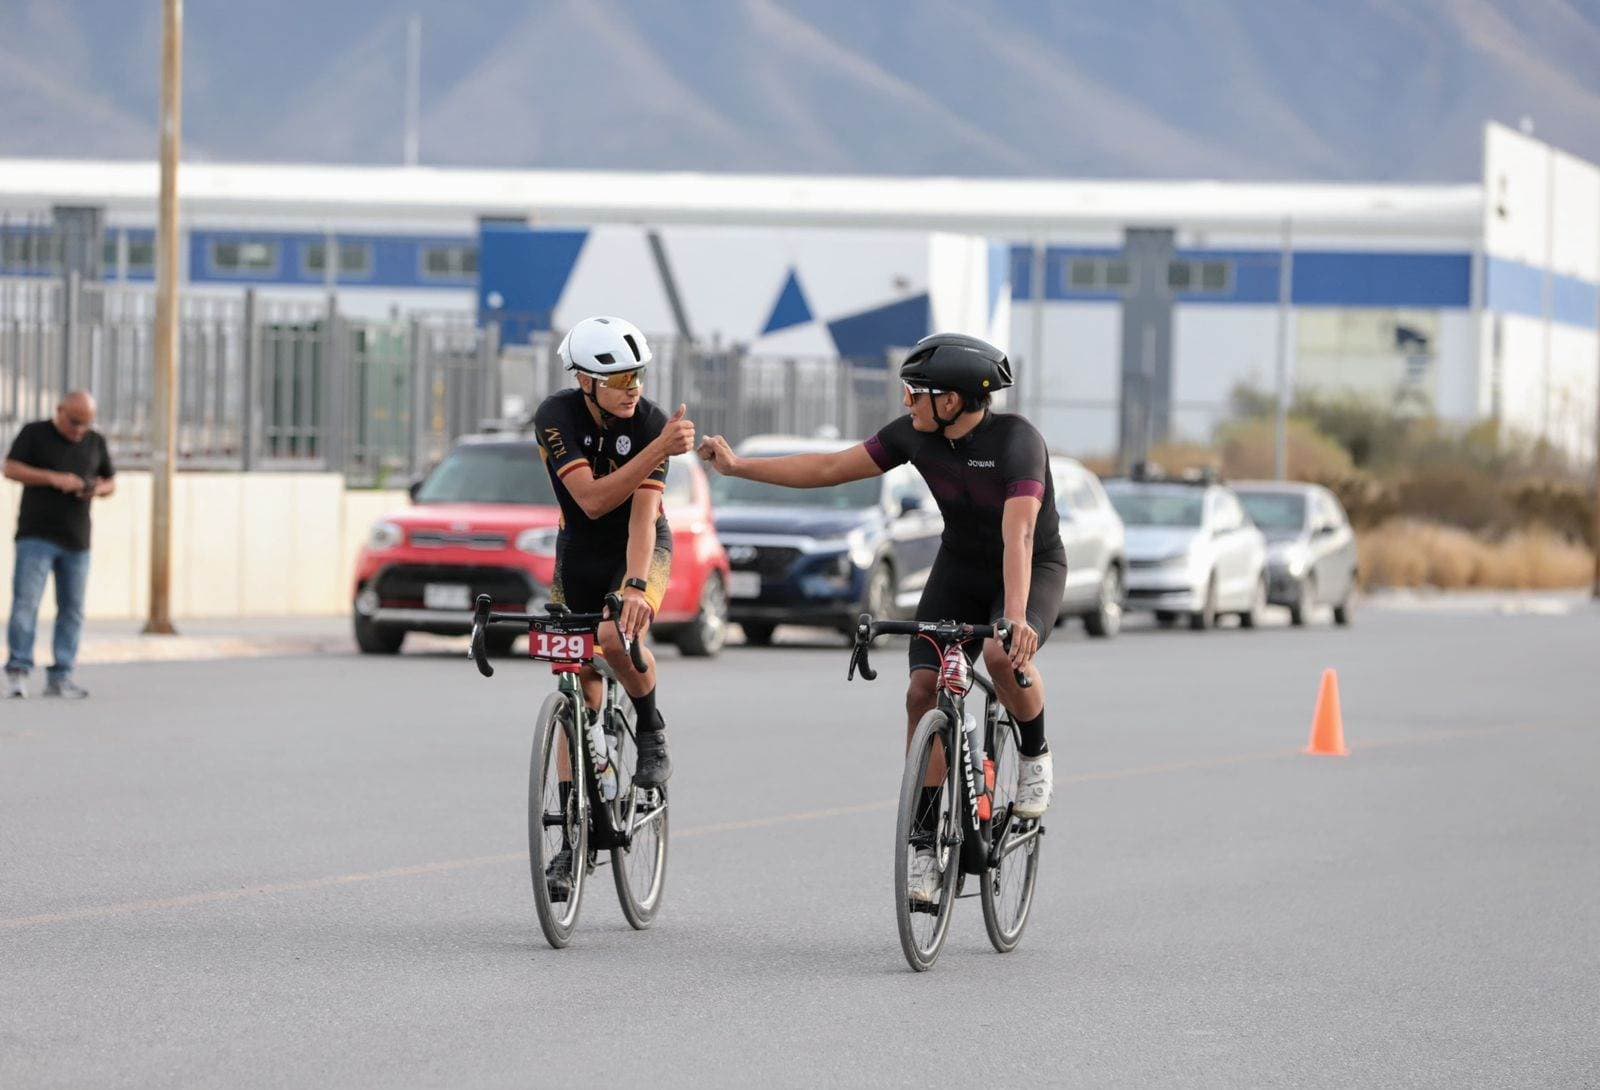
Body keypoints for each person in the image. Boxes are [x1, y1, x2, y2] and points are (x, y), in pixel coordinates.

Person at [698, 333, 1062, 901]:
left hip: (1031, 567)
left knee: (997, 651)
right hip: (960, 568)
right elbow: (827, 468)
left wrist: (1016, 620)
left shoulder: (1018, 442)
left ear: (955, 400)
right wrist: (739, 467)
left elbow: (1017, 533)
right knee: (921, 691)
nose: (906, 401)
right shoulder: (913, 437)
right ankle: (923, 845)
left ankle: (1036, 754)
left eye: (917, 392)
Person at [532, 316, 695, 899]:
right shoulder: (556, 417)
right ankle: (573, 836)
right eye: (620, 378)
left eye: (639, 375)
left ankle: (651, 728)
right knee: (572, 674)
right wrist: (658, 447)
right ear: (585, 382)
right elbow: (592, 502)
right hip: (580, 544)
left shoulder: (653, 423)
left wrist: (633, 586)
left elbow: (639, 517)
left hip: (641, 545)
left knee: (611, 637)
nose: (634, 388)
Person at [5, 391, 116, 699]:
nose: (79, 430)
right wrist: (53, 479)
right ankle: (18, 671)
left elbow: (110, 482)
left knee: (72, 610)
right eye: (74, 422)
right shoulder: (34, 433)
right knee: (26, 604)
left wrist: (92, 488)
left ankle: (62, 675)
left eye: (86, 423)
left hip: (77, 540)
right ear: (59, 411)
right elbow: (10, 468)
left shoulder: (95, 442)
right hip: (36, 536)